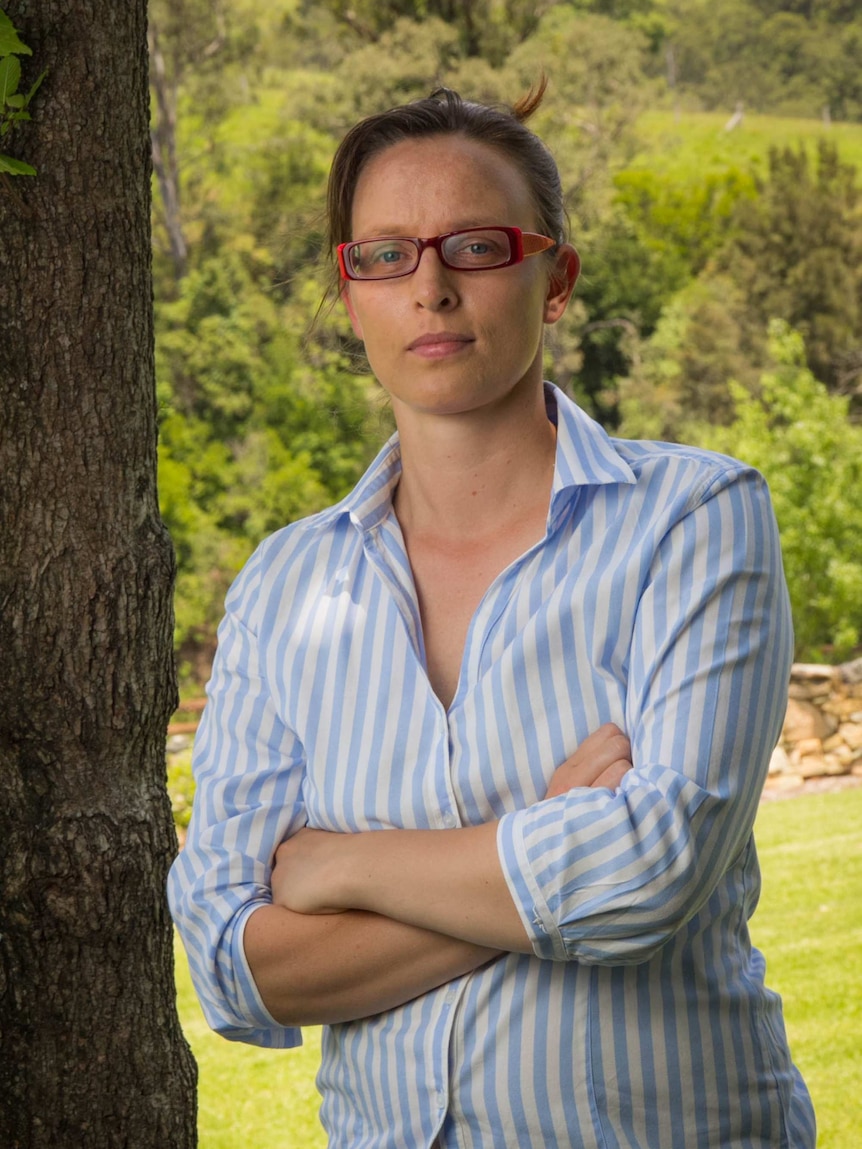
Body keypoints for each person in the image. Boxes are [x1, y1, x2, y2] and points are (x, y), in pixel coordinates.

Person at [168, 83, 816, 1148]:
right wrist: (548, 847)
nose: (428, 288)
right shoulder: (286, 589)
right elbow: (236, 970)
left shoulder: (693, 518)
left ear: (553, 279)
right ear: (349, 294)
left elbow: (648, 877)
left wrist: (344, 867)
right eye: (383, 255)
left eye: (473, 245)